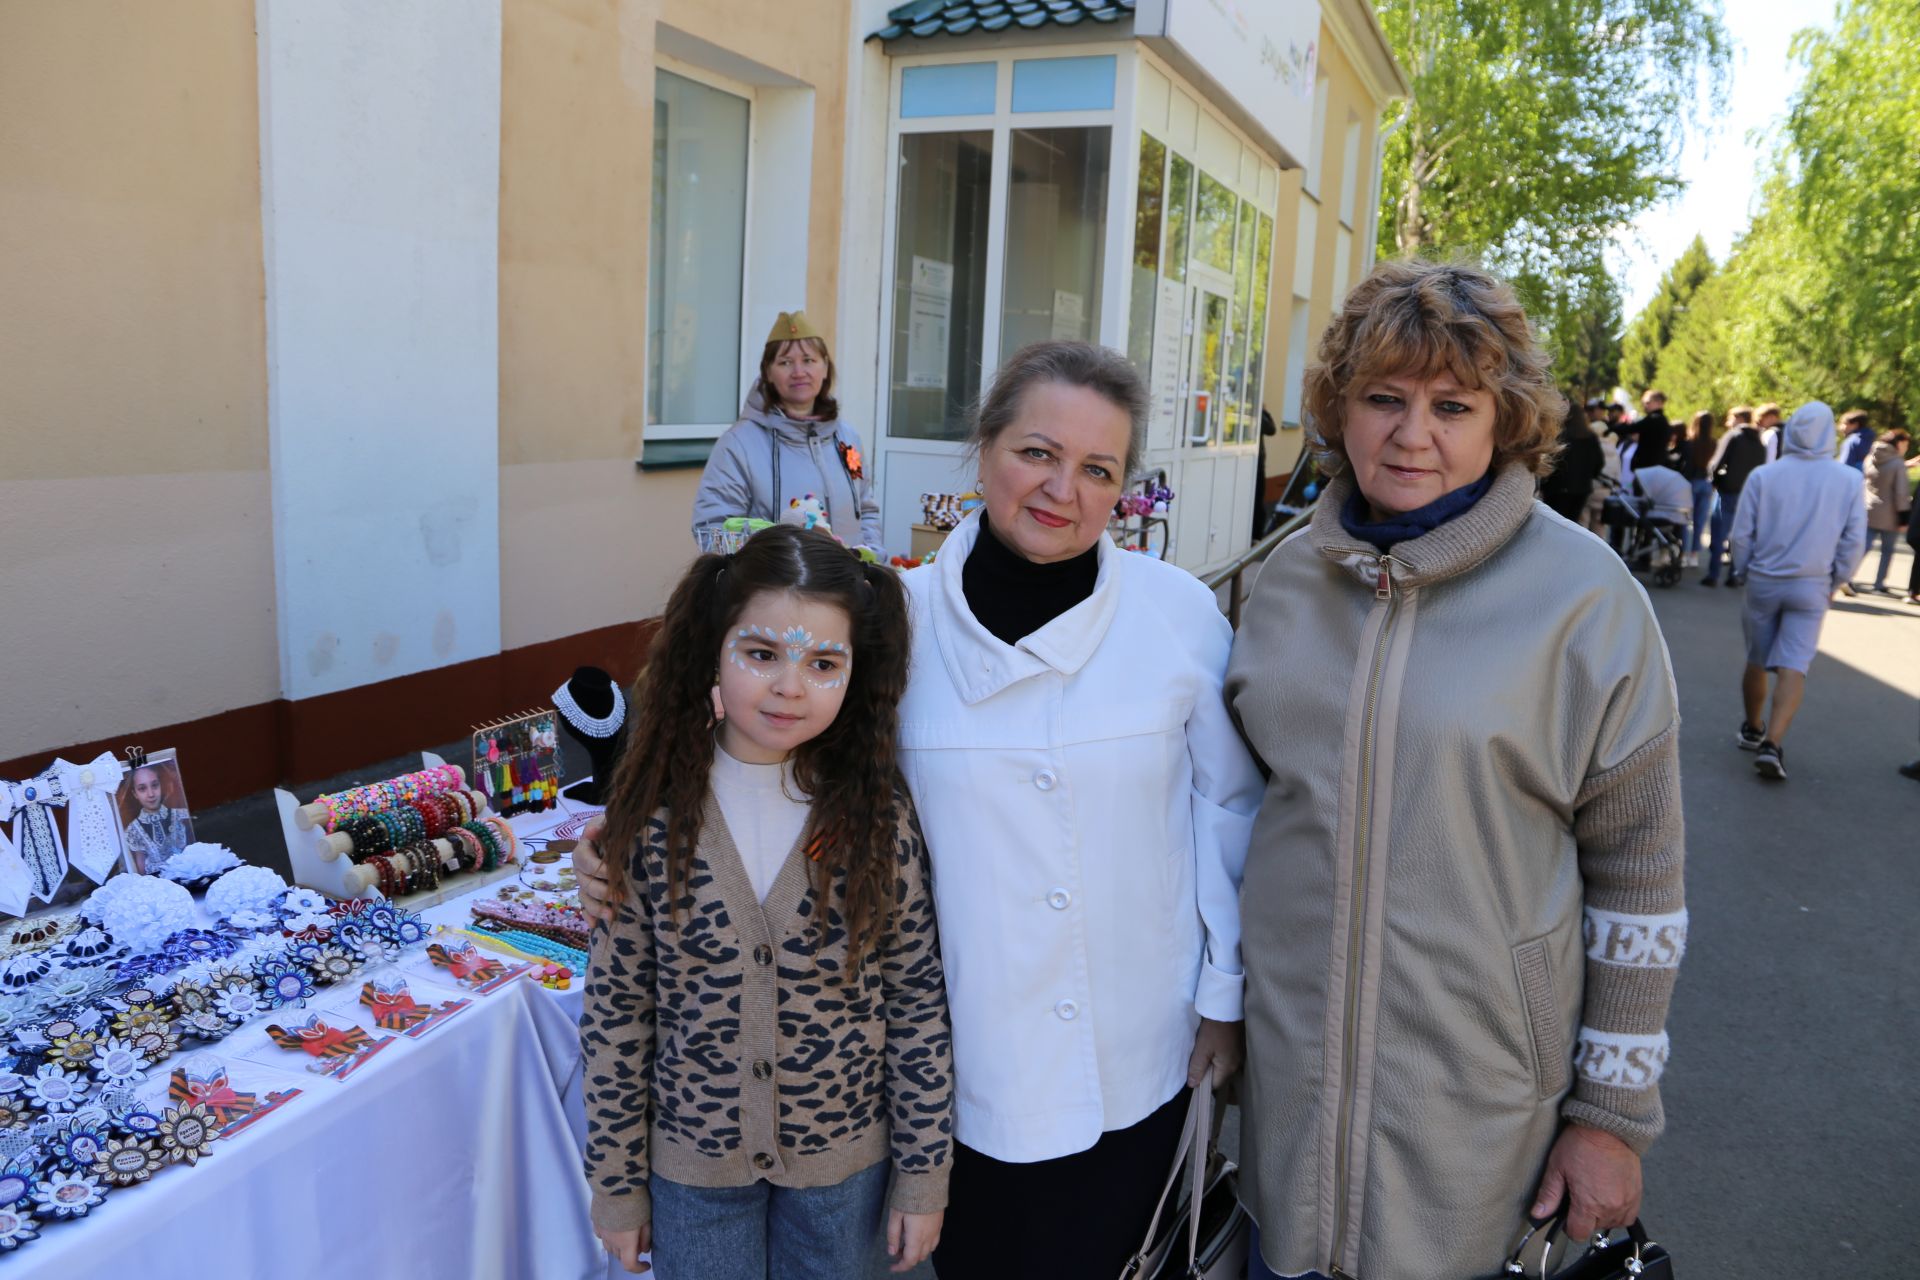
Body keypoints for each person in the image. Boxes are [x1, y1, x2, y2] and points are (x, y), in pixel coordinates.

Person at [580, 341, 1262, 1280]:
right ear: (982, 451)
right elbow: (770, 763)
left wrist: (1224, 1001)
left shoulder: (1179, 617)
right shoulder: (892, 622)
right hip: (959, 1074)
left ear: (1124, 491)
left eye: (1097, 469)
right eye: (1036, 452)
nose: (1062, 488)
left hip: (1138, 1052)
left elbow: (1230, 813)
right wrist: (615, 840)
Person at [1229, 260, 1685, 1280]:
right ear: (1339, 406)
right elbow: (1237, 816)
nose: (1411, 433)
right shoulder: (1283, 577)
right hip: (1290, 1119)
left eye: (1451, 404)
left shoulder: (1587, 599)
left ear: (1504, 418)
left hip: (1477, 1140)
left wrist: (1612, 1114)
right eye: (1383, 398)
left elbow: (1641, 876)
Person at [580, 524, 952, 1279]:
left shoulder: (874, 816)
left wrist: (923, 1172)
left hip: (844, 1177)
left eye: (822, 663)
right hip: (695, 1177)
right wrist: (617, 1183)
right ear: (713, 649)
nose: (790, 686)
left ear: (857, 673)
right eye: (762, 654)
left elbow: (915, 1002)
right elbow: (619, 1012)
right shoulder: (655, 812)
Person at [1728, 401, 1868, 781]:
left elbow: (1741, 534)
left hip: (1764, 579)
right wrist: (1837, 580)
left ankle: (1752, 727)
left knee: (1757, 658)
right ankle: (1773, 743)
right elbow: (1854, 539)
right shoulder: (1848, 480)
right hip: (1812, 584)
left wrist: (1743, 570)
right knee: (1795, 664)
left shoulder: (1764, 476)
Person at [692, 312, 884, 549]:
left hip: (849, 582)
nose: (798, 372)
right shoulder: (738, 444)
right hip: (778, 584)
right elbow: (713, 530)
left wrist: (871, 561)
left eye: (809, 360)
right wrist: (776, 563)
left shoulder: (847, 438)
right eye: (785, 362)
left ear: (825, 367)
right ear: (768, 373)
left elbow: (867, 511)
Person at [1701, 405, 1766, 587]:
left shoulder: (1733, 436)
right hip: (1747, 494)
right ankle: (1734, 575)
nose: (1728, 423)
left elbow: (1716, 462)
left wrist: (1714, 479)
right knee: (1739, 537)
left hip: (1726, 491)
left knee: (1718, 534)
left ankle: (1713, 575)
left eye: (1730, 418)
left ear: (1738, 418)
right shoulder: (1758, 441)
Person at [1862, 429, 1911, 593]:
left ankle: (1846, 577)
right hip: (1891, 514)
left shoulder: (1871, 457)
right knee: (1887, 550)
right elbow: (1901, 492)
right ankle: (1879, 583)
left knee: (1863, 547)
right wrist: (1904, 517)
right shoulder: (1897, 463)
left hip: (1869, 508)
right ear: (1899, 443)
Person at [1540, 400, 1605, 523]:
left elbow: (1550, 462)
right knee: (1572, 522)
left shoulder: (1559, 436)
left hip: (1557, 488)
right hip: (1581, 488)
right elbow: (1599, 463)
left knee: (1555, 523)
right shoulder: (1591, 437)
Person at [123, 765, 192, 876]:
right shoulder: (132, 830)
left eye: (154, 785)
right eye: (142, 789)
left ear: (161, 786)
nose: (151, 794)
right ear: (135, 793)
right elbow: (140, 868)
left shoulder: (181, 816)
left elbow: (192, 849)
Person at [1676, 409, 1717, 566]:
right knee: (1700, 522)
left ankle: (1684, 553)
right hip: (1706, 484)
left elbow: (1686, 466)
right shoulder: (1713, 443)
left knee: (1686, 521)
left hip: (1691, 483)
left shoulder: (1690, 443)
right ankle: (1694, 555)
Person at [1633, 389, 1673, 467]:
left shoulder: (1655, 420)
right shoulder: (1656, 419)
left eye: (1648, 403)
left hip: (1649, 465)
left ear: (1658, 403)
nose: (1645, 406)